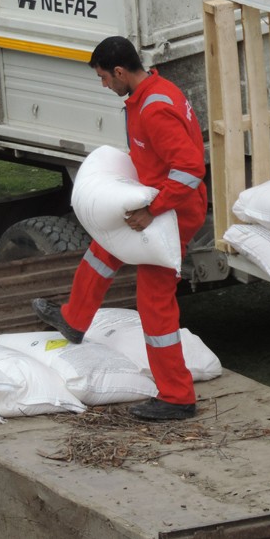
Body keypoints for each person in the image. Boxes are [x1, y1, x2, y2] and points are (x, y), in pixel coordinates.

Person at [32, 35, 208, 421]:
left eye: (104, 78)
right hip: (158, 202)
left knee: (154, 302)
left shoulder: (154, 109)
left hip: (171, 211)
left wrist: (153, 210)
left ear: (119, 71)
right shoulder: (153, 93)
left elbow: (191, 170)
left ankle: (177, 397)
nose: (104, 86)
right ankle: (74, 320)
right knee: (104, 248)